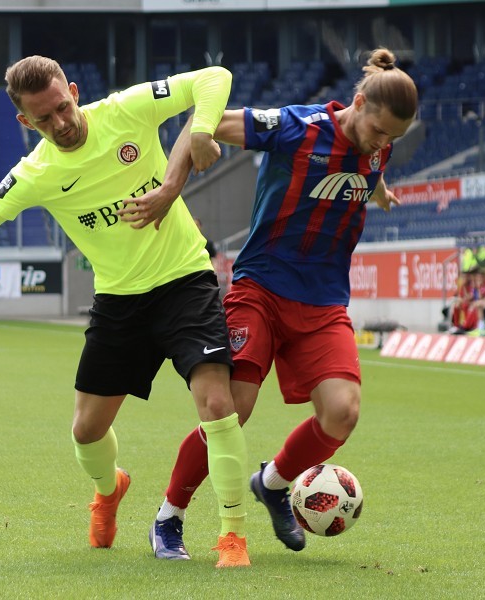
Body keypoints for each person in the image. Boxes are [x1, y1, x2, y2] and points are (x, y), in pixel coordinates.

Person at [0, 56, 252, 568]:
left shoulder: (126, 110)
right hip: (119, 301)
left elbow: (212, 78)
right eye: (44, 119)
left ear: (74, 91)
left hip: (184, 281)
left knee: (217, 405)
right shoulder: (34, 174)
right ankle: (110, 490)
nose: (60, 123)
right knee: (85, 431)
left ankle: (231, 537)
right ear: (25, 122)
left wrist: (202, 131)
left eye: (63, 107)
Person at [119, 47, 416, 558]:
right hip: (260, 289)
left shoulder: (377, 146)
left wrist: (379, 190)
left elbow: (369, 164)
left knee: (342, 413)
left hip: (323, 301)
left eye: (392, 139)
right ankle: (169, 517)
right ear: (358, 102)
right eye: (379, 130)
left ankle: (274, 483)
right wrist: (171, 187)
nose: (383, 142)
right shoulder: (293, 128)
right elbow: (200, 122)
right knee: (232, 410)